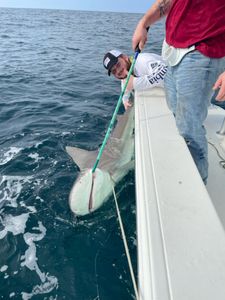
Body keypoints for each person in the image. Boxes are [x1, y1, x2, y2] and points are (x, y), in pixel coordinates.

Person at [132, 0, 225, 184]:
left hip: (203, 50)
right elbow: (166, 2)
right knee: (175, 109)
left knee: (188, 126)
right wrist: (143, 23)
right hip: (173, 52)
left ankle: (198, 184)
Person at [103, 49, 167, 110]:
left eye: (118, 64)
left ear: (124, 57)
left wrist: (136, 83)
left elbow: (165, 72)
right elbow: (125, 86)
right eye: (114, 71)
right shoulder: (126, 72)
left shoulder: (143, 61)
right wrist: (125, 100)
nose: (118, 71)